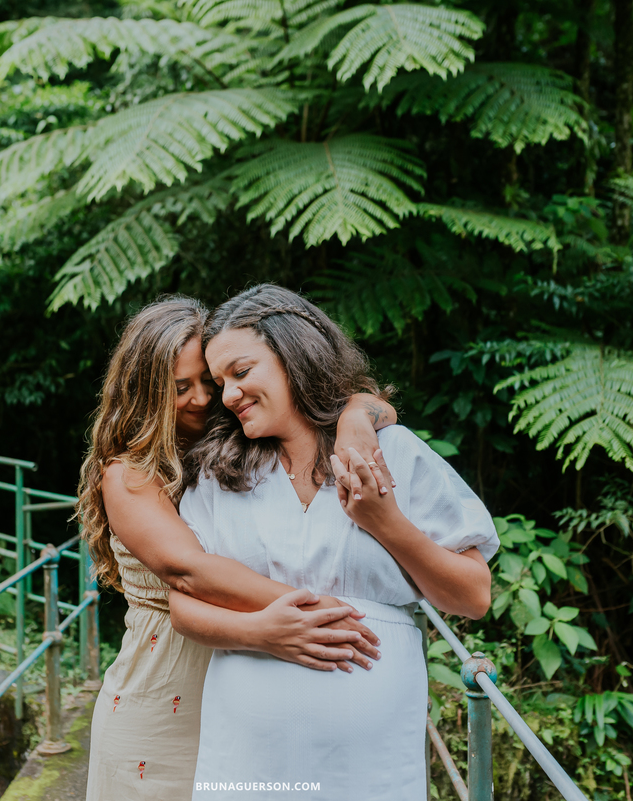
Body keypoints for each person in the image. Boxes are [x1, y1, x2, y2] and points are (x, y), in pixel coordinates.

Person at [170, 285, 499, 800]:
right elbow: (184, 610)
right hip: (246, 756)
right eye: (219, 382)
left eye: (241, 372)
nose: (227, 395)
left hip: (370, 767)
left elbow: (474, 597)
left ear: (293, 352)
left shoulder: (394, 451)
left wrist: (386, 522)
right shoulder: (217, 472)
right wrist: (262, 633)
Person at [78, 296, 399, 800]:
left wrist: (356, 416)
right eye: (180, 387)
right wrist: (320, 612)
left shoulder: (242, 447)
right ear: (147, 391)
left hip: (255, 694)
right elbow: (186, 570)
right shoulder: (130, 474)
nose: (204, 398)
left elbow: (366, 403)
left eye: (208, 381)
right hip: (165, 700)